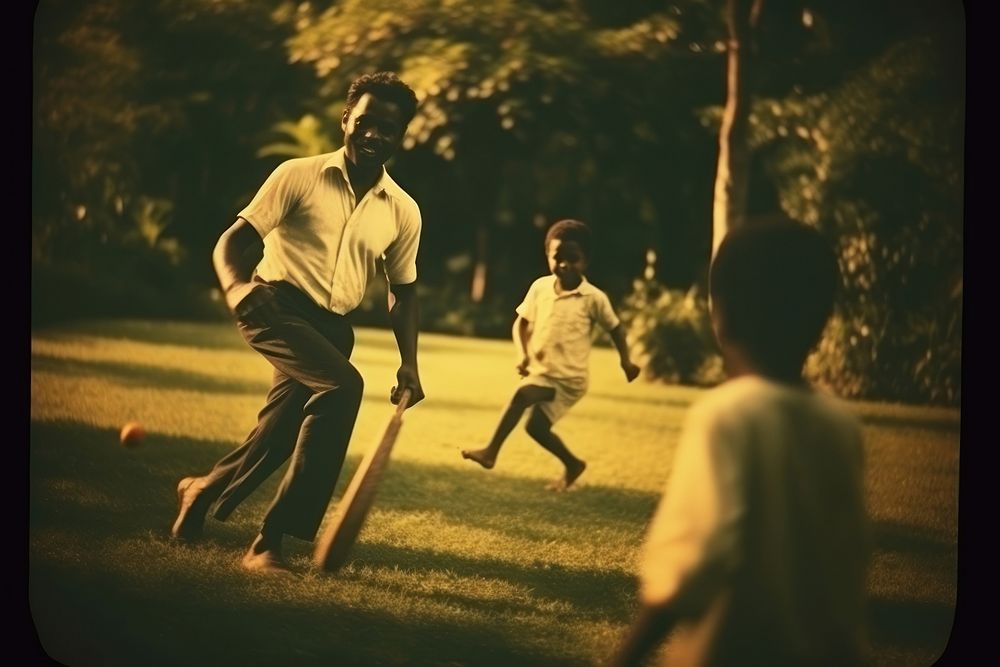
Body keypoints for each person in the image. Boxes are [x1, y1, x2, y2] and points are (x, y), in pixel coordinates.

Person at [170, 71, 425, 574]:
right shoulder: (298, 174)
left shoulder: (403, 211)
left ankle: (202, 489)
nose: (374, 135)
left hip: (332, 329)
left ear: (401, 137)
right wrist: (237, 288)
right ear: (346, 120)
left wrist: (410, 364)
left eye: (388, 129)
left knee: (277, 434)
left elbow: (404, 292)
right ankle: (270, 541)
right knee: (343, 387)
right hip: (272, 307)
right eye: (366, 122)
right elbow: (231, 243)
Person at [608, 218, 871, 666]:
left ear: (720, 314)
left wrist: (627, 655)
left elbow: (692, 562)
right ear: (823, 318)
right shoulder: (841, 424)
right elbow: (848, 556)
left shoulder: (725, 416)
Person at [461, 219, 641, 491]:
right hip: (543, 372)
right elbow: (521, 322)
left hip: (569, 378)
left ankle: (490, 452)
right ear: (548, 256)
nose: (565, 264)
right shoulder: (540, 288)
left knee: (521, 395)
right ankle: (573, 464)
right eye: (558, 257)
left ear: (586, 261)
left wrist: (626, 361)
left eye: (574, 259)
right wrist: (523, 355)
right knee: (535, 429)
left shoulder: (593, 298)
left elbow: (615, 329)